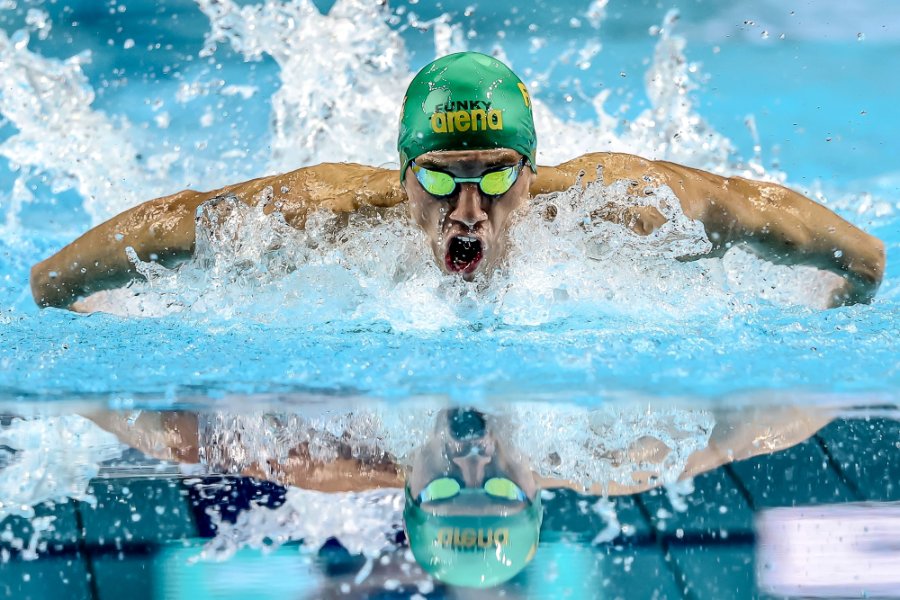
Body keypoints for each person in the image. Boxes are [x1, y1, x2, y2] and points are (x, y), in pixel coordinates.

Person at [30, 52, 884, 310]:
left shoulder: (621, 208)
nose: (467, 212)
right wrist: (54, 288)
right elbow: (178, 222)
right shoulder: (324, 215)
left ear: (533, 172)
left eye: (495, 178)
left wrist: (852, 284)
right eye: (439, 181)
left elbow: (751, 207)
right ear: (403, 176)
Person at [86, 402, 834, 588]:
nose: (473, 462)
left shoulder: (327, 457)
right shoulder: (607, 455)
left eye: (447, 487)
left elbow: (169, 433)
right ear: (534, 491)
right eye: (500, 487)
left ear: (410, 494)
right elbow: (758, 428)